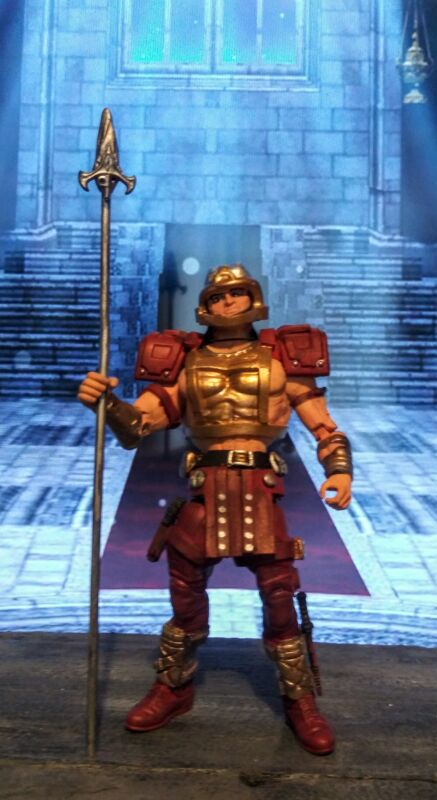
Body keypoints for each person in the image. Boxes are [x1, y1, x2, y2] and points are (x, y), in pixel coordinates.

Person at [78, 264, 352, 756]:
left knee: (279, 595)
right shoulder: (184, 359)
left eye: (238, 292)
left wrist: (340, 470)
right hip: (204, 487)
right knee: (184, 595)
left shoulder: (281, 357)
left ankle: (299, 700)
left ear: (254, 298)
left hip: (260, 488)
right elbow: (137, 427)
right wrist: (108, 404)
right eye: (218, 295)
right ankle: (173, 687)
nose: (228, 302)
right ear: (205, 304)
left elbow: (324, 426)